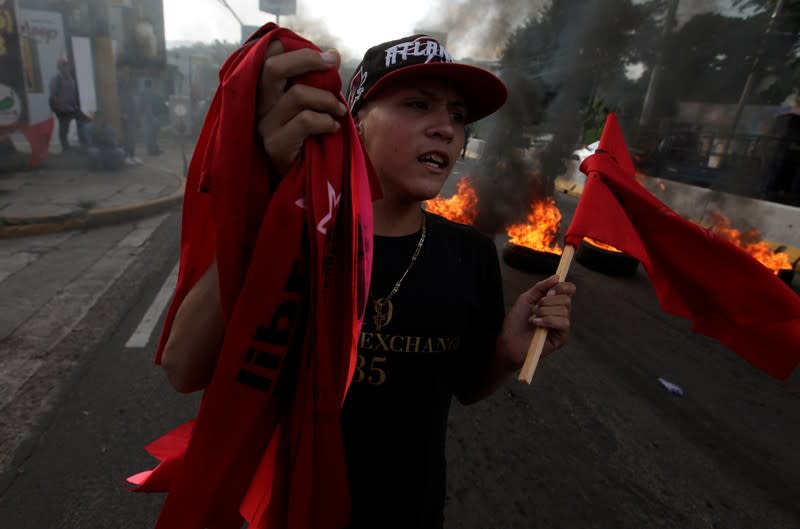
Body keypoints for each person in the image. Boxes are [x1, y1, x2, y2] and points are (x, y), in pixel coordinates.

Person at [160, 32, 576, 529]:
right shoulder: (297, 233)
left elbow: (467, 386)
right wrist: (267, 213)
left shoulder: (471, 254)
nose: (445, 127)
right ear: (354, 124)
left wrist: (506, 354)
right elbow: (183, 367)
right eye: (418, 104)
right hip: (286, 511)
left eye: (458, 115)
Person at [48, 57, 90, 152]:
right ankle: (65, 148)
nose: (66, 68)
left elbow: (72, 95)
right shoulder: (56, 79)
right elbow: (53, 96)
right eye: (62, 66)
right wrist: (60, 106)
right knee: (64, 128)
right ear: (59, 68)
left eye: (66, 66)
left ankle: (84, 143)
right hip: (61, 109)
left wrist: (75, 107)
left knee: (85, 121)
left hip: (71, 107)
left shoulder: (71, 79)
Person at [141, 78, 164, 155]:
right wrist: (153, 117)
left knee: (150, 134)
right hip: (150, 116)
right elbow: (148, 106)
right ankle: (151, 150)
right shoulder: (148, 93)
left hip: (146, 116)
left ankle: (153, 149)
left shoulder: (143, 93)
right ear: (151, 85)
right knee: (151, 134)